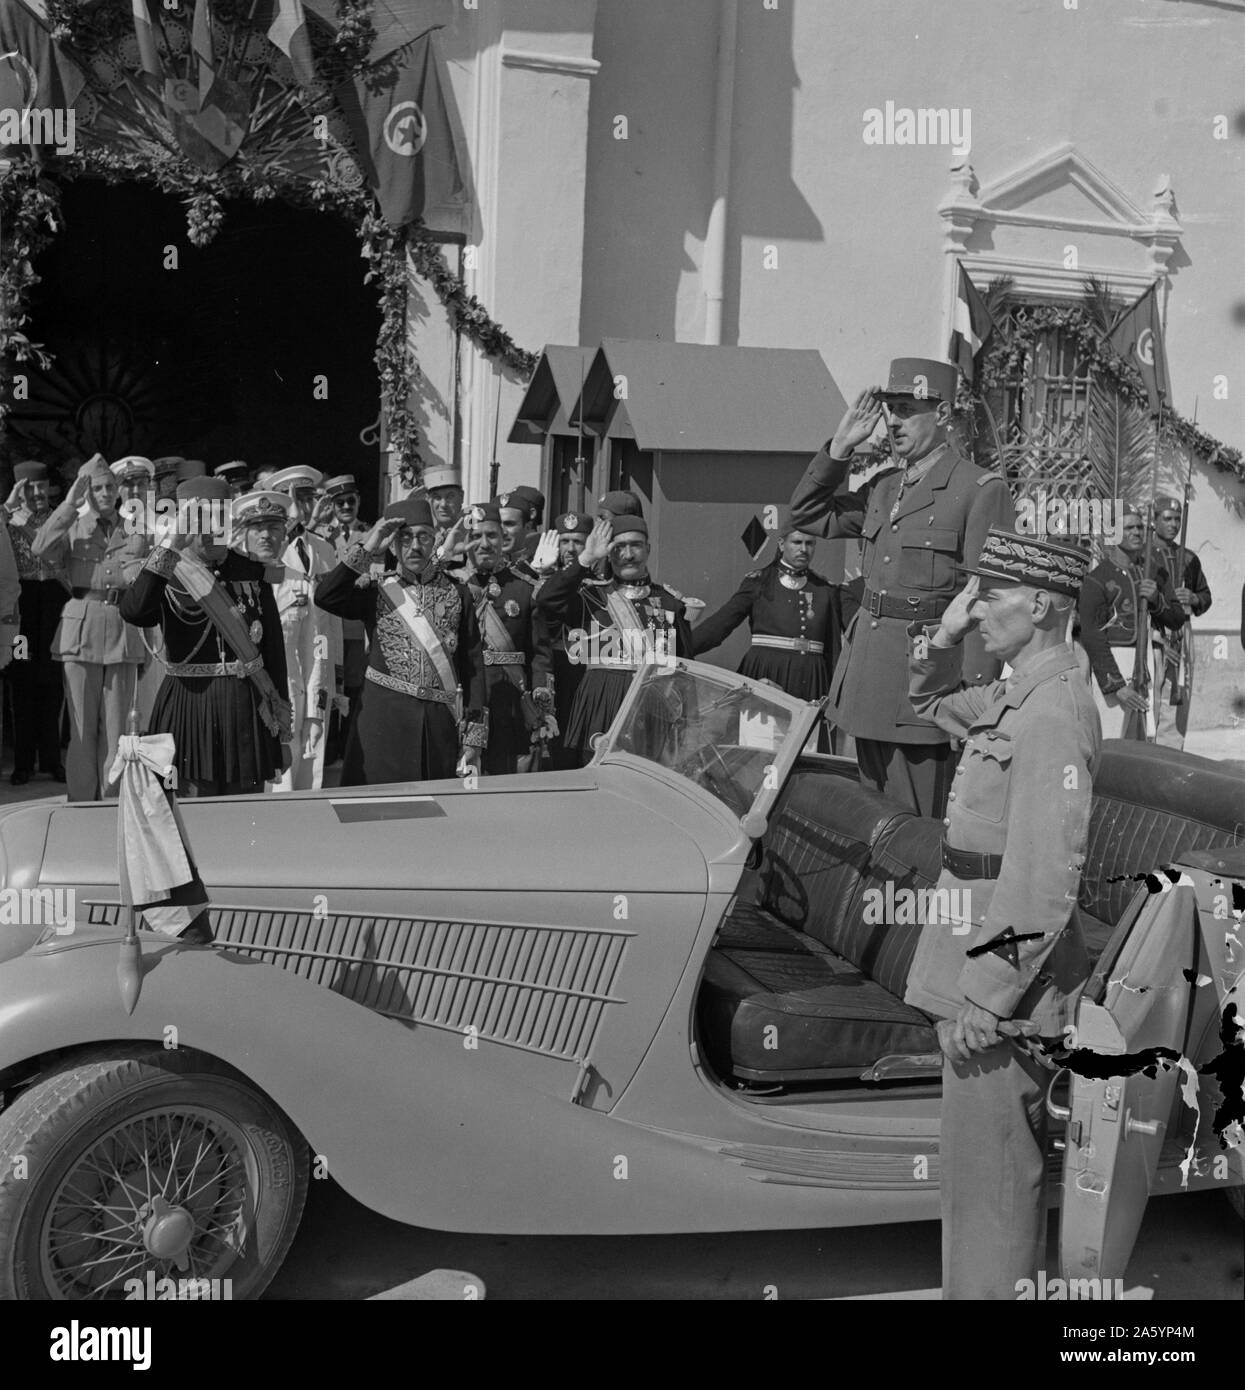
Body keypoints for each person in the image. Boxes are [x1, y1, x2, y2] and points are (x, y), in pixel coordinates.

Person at [904, 528, 1098, 1299]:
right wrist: (944, 636)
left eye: (989, 596)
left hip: (1001, 980)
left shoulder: (1051, 710)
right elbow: (922, 700)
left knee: (990, 1180)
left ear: (1042, 603)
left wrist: (988, 995)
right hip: (971, 953)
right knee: (974, 1168)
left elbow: (1045, 874)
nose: (975, 608)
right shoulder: (1018, 690)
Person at [788, 358, 1015, 817]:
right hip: (866, 682)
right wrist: (840, 447)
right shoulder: (884, 487)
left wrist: (966, 707)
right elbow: (806, 515)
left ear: (944, 415)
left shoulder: (978, 489)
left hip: (924, 694)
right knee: (865, 821)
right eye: (890, 408)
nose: (893, 420)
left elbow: (987, 599)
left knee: (913, 832)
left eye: (907, 408)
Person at [120, 480, 291, 796]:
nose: (213, 528)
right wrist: (171, 543)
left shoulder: (251, 571)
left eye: (220, 518)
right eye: (203, 518)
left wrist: (282, 735)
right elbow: (135, 612)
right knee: (191, 812)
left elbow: (274, 654)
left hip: (246, 710)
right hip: (190, 708)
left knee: (244, 814)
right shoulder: (167, 570)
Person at [314, 494, 487, 785]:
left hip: (437, 724)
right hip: (383, 721)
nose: (415, 546)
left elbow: (472, 665)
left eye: (423, 537)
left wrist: (474, 735)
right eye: (405, 538)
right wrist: (368, 548)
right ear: (393, 543)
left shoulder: (458, 593)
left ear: (435, 541)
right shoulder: (376, 589)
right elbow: (325, 596)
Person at [32, 455, 147, 800]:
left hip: (123, 630)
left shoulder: (134, 529)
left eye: (110, 486)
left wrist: (148, 642)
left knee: (116, 730)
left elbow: (146, 589)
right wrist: (68, 505)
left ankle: (113, 802)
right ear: (86, 492)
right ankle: (81, 804)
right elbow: (40, 548)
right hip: (80, 631)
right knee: (81, 729)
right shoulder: (72, 526)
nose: (105, 492)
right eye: (96, 487)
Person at [534, 515, 692, 765]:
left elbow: (684, 670)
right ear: (607, 553)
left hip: (651, 712)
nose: (628, 555)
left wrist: (685, 724)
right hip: (599, 709)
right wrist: (586, 558)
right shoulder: (590, 597)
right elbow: (546, 600)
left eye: (635, 545)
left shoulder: (670, 603)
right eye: (618, 547)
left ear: (648, 549)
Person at [691, 521, 842, 706]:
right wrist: (680, 647)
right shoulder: (759, 582)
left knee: (807, 734)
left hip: (811, 681)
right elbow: (721, 624)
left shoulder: (825, 590)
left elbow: (833, 650)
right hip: (766, 674)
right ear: (781, 544)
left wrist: (834, 696)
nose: (803, 549)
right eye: (797, 542)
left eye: (809, 543)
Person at [1077, 507, 1184, 740]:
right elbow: (1092, 634)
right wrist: (1115, 685)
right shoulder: (1097, 579)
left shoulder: (1156, 573)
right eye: (1129, 527)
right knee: (1111, 738)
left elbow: (1176, 619)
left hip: (1149, 662)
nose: (1137, 532)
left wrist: (1156, 599)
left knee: (1146, 736)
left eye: (1139, 527)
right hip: (1113, 663)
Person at [463, 502, 555, 774]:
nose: (484, 543)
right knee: (467, 777)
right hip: (467, 699)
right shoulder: (454, 587)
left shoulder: (526, 589)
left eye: (491, 535)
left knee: (509, 775)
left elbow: (541, 653)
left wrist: (542, 695)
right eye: (475, 536)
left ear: (503, 540)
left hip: (511, 700)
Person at [265, 465, 341, 791]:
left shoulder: (322, 549)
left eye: (309, 496)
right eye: (297, 497)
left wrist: (332, 681)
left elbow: (328, 624)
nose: (304, 505)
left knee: (312, 777)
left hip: (315, 672)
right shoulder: (265, 552)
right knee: (277, 784)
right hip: (278, 677)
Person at [2, 462, 68, 784]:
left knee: (53, 683)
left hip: (55, 607)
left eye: (41, 485)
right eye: (29, 487)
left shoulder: (62, 518)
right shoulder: (8, 520)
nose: (37, 493)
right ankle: (24, 763)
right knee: (23, 682)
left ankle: (52, 760)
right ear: (19, 490)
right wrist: (8, 507)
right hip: (22, 613)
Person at [311, 474, 371, 763]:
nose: (346, 506)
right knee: (324, 678)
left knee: (355, 683)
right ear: (331, 506)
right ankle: (326, 746)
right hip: (324, 624)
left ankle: (348, 747)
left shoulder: (370, 534)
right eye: (339, 502)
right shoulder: (320, 534)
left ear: (358, 501)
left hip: (355, 628)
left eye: (351, 500)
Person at [1149, 494, 1212, 750]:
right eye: (1167, 518)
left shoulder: (1189, 558)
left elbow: (1205, 595)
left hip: (1182, 633)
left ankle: (1171, 753)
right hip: (1152, 632)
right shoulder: (1142, 557)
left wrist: (1194, 598)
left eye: (1177, 519)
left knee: (1178, 695)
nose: (1173, 524)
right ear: (1154, 521)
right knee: (1151, 695)